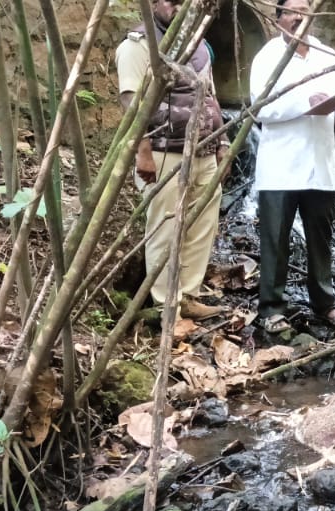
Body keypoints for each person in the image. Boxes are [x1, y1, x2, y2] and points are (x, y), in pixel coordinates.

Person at [248, 0, 335, 333]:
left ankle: (325, 303)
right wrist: (304, 103)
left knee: (320, 239)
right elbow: (261, 108)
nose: (299, 17)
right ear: (278, 17)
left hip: (321, 163)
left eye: (305, 9)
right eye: (292, 11)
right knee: (276, 238)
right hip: (281, 165)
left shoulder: (328, 56)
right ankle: (271, 308)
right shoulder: (268, 57)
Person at [116, 0, 230, 321]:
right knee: (165, 228)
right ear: (153, 3)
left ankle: (187, 297)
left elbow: (210, 97)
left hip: (203, 151)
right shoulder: (138, 46)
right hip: (164, 154)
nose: (177, 6)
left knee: (200, 224)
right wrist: (143, 153)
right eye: (170, 0)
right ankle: (166, 305)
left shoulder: (200, 46)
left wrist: (222, 144)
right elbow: (131, 105)